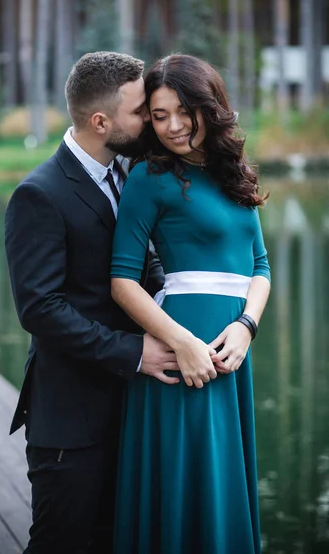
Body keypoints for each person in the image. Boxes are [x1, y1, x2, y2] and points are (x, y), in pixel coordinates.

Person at [5, 51, 180, 554]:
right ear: (101, 121)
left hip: (128, 406)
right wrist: (136, 352)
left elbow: (141, 265)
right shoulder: (39, 194)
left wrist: (181, 303)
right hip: (70, 419)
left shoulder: (126, 175)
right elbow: (39, 308)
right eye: (141, 111)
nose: (149, 120)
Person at [111, 54, 271, 554]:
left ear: (210, 106)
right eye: (159, 116)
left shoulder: (234, 171)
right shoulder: (150, 177)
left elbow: (261, 268)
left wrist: (246, 326)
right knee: (185, 483)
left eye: (184, 111)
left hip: (231, 349)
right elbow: (122, 281)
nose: (174, 126)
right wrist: (182, 344)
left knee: (222, 482)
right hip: (184, 351)